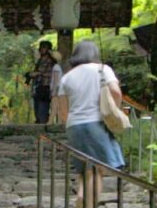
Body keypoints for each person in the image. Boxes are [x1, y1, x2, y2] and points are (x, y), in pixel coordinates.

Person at [51, 36, 128, 197]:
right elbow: (115, 92)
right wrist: (114, 108)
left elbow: (63, 110)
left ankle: (82, 197)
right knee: (97, 169)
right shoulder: (103, 69)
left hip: (74, 125)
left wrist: (70, 120)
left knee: (84, 169)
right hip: (96, 123)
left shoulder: (67, 77)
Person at [29, 39, 59, 127]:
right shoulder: (39, 60)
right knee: (37, 110)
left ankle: (44, 128)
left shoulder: (51, 61)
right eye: (41, 47)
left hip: (45, 87)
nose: (41, 49)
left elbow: (52, 74)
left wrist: (39, 73)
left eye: (44, 48)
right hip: (38, 86)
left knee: (43, 110)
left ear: (48, 49)